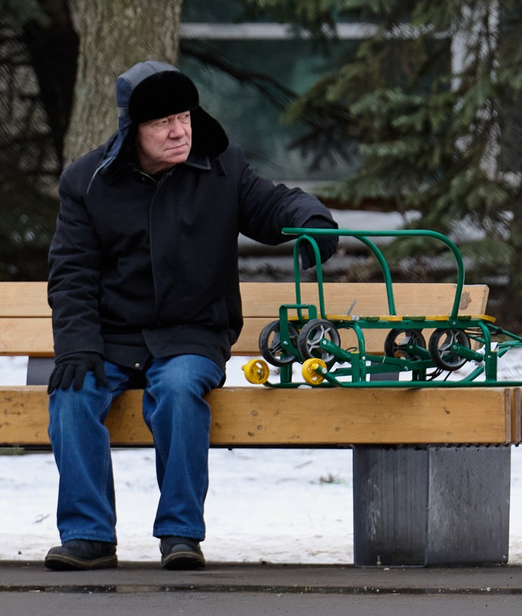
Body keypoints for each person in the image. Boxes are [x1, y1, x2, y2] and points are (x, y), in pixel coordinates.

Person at [41, 60, 338, 571]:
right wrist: (77, 345)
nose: (179, 131)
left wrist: (311, 221)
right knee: (71, 395)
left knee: (179, 392)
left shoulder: (222, 166)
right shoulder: (86, 182)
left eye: (184, 116)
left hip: (191, 335)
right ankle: (88, 536)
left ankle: (180, 534)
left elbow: (272, 205)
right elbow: (72, 275)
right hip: (112, 337)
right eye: (162, 123)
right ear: (133, 129)